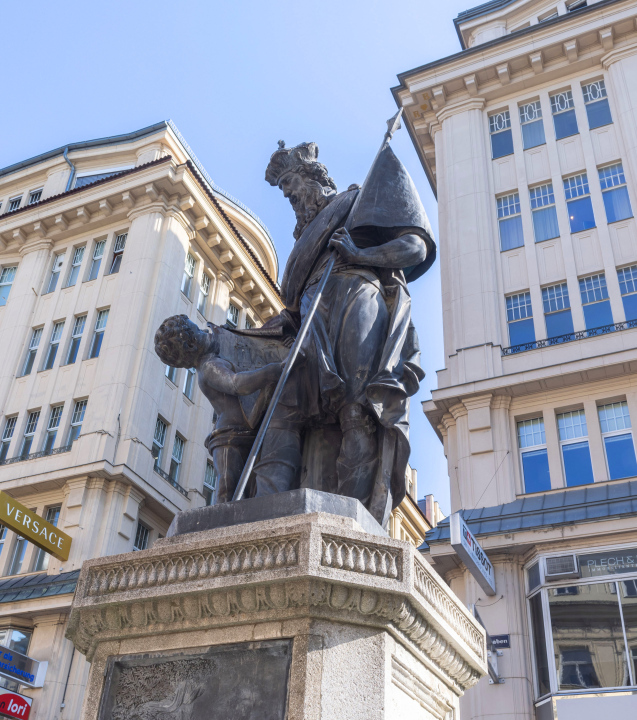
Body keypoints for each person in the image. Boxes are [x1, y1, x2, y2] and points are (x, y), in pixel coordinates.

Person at [247, 139, 436, 523]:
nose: (291, 199)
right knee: (283, 409)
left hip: (357, 295)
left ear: (313, 176)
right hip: (310, 319)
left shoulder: (359, 199)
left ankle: (353, 518)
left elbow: (415, 247)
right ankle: (269, 516)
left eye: (292, 186)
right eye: (286, 194)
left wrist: (361, 255)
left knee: (357, 408)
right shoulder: (303, 244)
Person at [154, 315, 284, 502]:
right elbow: (236, 384)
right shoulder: (209, 367)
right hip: (228, 438)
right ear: (191, 347)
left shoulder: (215, 357)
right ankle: (221, 526)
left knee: (245, 487)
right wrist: (269, 372)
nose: (206, 331)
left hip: (247, 431)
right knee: (227, 488)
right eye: (199, 332)